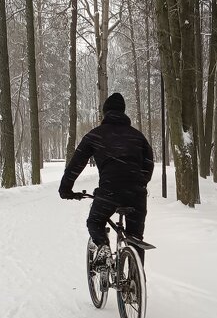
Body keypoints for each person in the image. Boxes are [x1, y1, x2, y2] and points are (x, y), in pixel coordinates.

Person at [59, 92, 154, 266]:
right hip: (137, 194)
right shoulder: (138, 136)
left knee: (95, 222)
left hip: (110, 190)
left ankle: (102, 246)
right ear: (123, 112)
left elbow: (76, 164)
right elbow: (149, 163)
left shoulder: (95, 135)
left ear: (105, 113)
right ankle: (136, 283)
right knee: (135, 237)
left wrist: (65, 189)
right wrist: (139, 183)